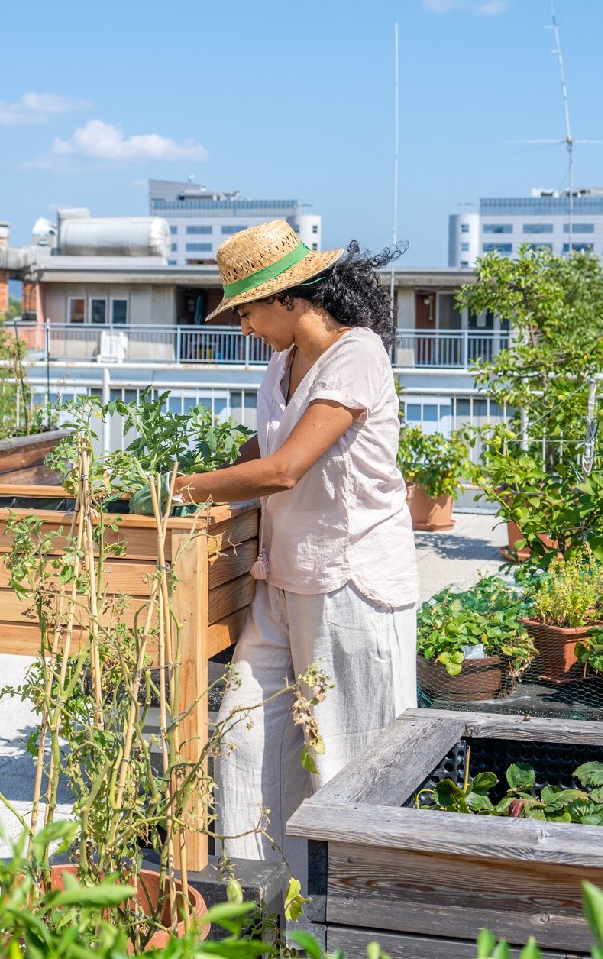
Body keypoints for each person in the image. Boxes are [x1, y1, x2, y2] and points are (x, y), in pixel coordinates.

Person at [172, 218, 419, 882]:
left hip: (351, 584)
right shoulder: (282, 364)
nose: (243, 327)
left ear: (289, 298)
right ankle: (263, 909)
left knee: (346, 761)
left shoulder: (357, 355)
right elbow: (264, 448)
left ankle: (351, 916)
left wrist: (180, 488)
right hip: (281, 583)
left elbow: (286, 468)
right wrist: (220, 481)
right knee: (245, 740)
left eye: (246, 311)